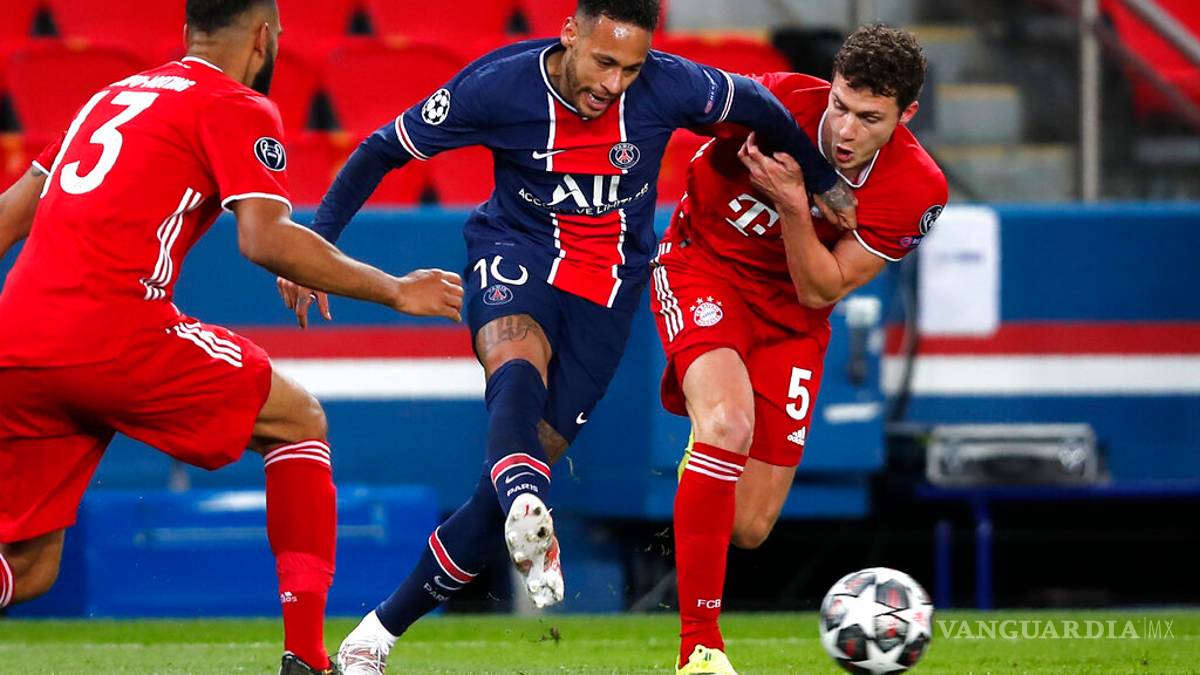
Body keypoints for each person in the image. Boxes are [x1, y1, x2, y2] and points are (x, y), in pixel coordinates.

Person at [275, 0, 858, 670]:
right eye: (604, 62)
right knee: (514, 360)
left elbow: (756, 103)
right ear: (570, 33)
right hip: (515, 252)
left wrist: (821, 180)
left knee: (503, 485)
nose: (614, 83)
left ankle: (374, 635)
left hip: (606, 296)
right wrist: (317, 244)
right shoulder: (498, 86)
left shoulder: (669, 84)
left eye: (630, 68)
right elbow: (383, 148)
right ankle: (527, 497)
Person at [0, 1, 463, 672]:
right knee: (298, 419)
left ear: (186, 32)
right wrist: (395, 289)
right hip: (113, 329)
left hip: (17, 338)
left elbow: (10, 215)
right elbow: (263, 238)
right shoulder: (234, 103)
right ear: (264, 37)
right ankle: (306, 656)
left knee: (28, 567)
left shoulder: (108, 98)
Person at [648, 24, 947, 674]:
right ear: (829, 86)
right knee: (727, 425)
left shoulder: (915, 189)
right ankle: (700, 648)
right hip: (704, 267)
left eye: (869, 118)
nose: (845, 131)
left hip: (793, 317)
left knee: (749, 526)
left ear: (905, 116)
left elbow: (821, 289)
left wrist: (791, 202)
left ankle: (707, 459)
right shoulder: (777, 101)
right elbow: (671, 96)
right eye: (841, 105)